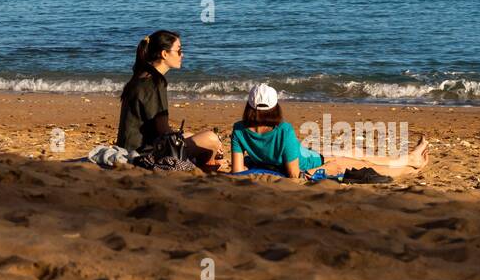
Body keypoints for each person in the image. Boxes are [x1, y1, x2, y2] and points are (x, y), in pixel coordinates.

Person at [229, 84, 429, 181]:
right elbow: (293, 174)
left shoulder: (239, 129)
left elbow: (237, 172)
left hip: (306, 154)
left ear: (249, 105)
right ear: (275, 107)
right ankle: (412, 164)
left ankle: (410, 157)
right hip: (312, 161)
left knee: (354, 152)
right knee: (363, 162)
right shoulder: (283, 130)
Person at [117, 30, 224, 171]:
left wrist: (180, 136)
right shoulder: (156, 82)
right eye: (179, 51)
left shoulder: (141, 75)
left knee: (190, 135)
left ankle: (206, 164)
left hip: (130, 148)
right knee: (212, 139)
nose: (182, 55)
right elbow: (162, 130)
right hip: (144, 154)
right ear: (164, 54)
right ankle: (208, 166)